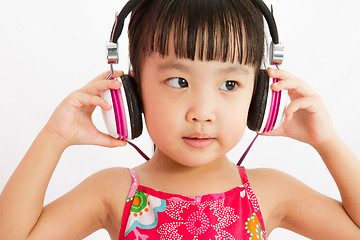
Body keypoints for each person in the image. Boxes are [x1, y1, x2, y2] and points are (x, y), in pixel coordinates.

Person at [1, 0, 360, 239]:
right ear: (131, 89)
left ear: (262, 94)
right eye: (179, 81)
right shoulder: (113, 193)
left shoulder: (270, 193)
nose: (202, 112)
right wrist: (54, 138)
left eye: (230, 84)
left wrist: (326, 143)